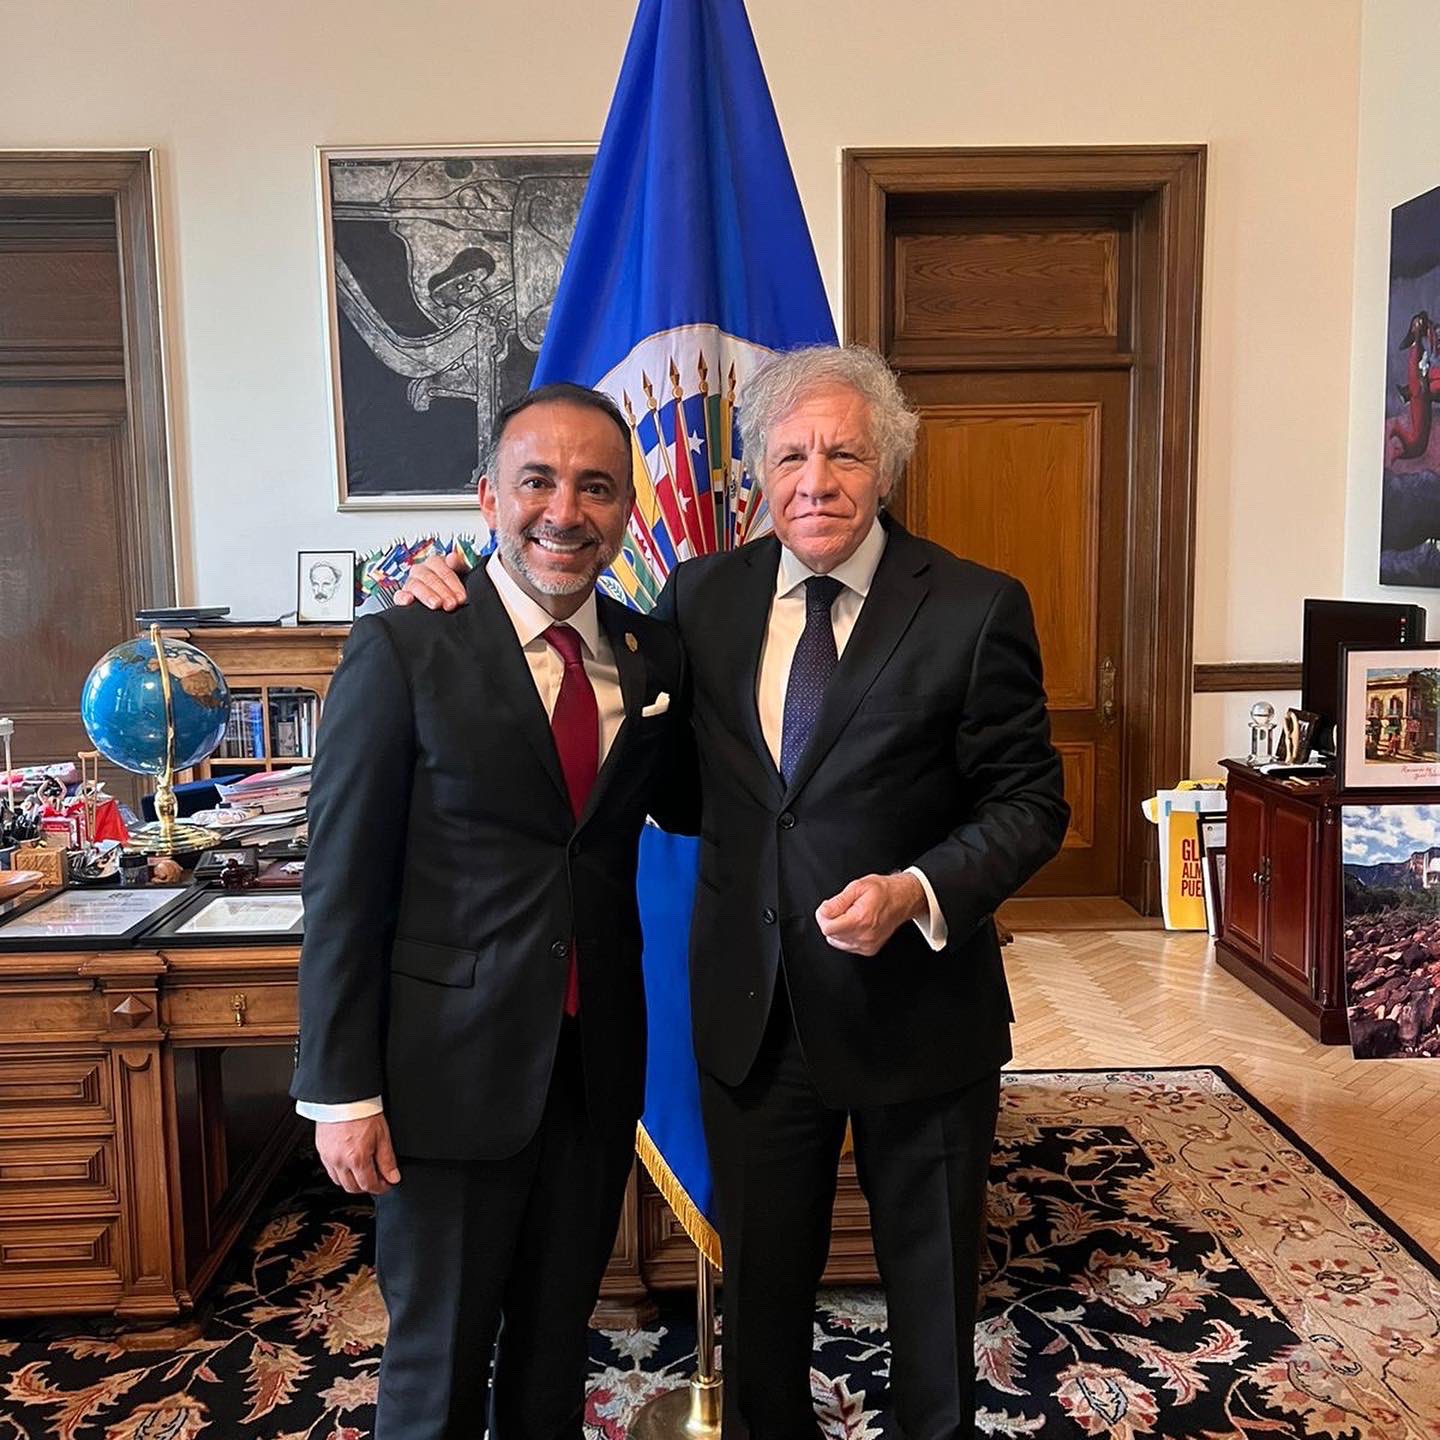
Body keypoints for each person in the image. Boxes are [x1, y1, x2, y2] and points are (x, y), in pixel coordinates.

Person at [399, 344, 1069, 1440]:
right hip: (754, 1015)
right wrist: (460, 592)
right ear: (756, 469)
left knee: (934, 1289)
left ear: (888, 468)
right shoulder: (702, 599)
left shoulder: (975, 605)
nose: (817, 482)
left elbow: (1030, 803)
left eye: (845, 455)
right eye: (791, 456)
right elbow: (589, 677)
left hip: (919, 1014)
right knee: (761, 1300)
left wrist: (918, 888)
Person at [291, 382, 690, 1440]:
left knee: (557, 1347)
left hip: (594, 1068)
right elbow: (343, 884)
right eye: (538, 481)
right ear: (487, 499)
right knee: (439, 1361)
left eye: (596, 487)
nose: (565, 510)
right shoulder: (405, 646)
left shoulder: (651, 657)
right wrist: (339, 1089)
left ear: (627, 510)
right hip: (446, 1076)